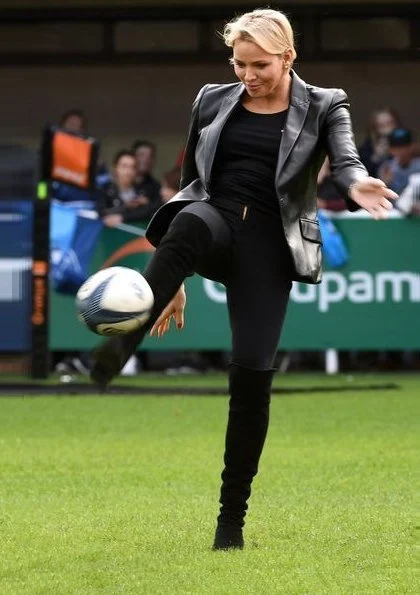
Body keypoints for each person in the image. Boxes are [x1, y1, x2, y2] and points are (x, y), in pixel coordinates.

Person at [90, 8, 397, 550]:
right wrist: (173, 274)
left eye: (259, 64)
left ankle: (230, 520)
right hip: (212, 222)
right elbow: (189, 184)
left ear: (288, 56)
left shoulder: (327, 104)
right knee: (188, 221)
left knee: (251, 380)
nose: (248, 75)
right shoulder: (212, 97)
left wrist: (357, 185)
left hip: (268, 250)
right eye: (239, 63)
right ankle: (113, 354)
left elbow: (347, 162)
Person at [97, 149, 154, 227]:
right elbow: (100, 213)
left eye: (132, 167)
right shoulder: (104, 190)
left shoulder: (144, 190)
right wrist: (127, 207)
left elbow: (151, 211)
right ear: (115, 168)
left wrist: (147, 205)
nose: (128, 171)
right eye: (124, 166)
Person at [357, 107, 401, 178]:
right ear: (375, 129)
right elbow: (361, 174)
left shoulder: (405, 139)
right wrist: (376, 157)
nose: (387, 129)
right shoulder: (367, 148)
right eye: (381, 126)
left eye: (389, 123)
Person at [378, 128, 420, 194]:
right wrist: (384, 182)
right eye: (395, 148)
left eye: (404, 147)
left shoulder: (418, 165)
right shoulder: (387, 167)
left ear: (412, 146)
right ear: (390, 150)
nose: (400, 151)